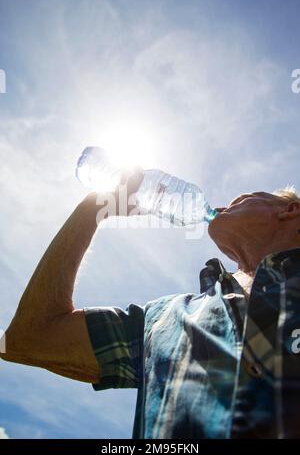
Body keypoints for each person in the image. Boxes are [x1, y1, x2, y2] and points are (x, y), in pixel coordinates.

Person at [1, 171, 300, 439]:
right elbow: (29, 338)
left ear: (288, 210)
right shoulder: (162, 320)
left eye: (241, 199)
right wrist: (92, 209)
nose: (225, 205)